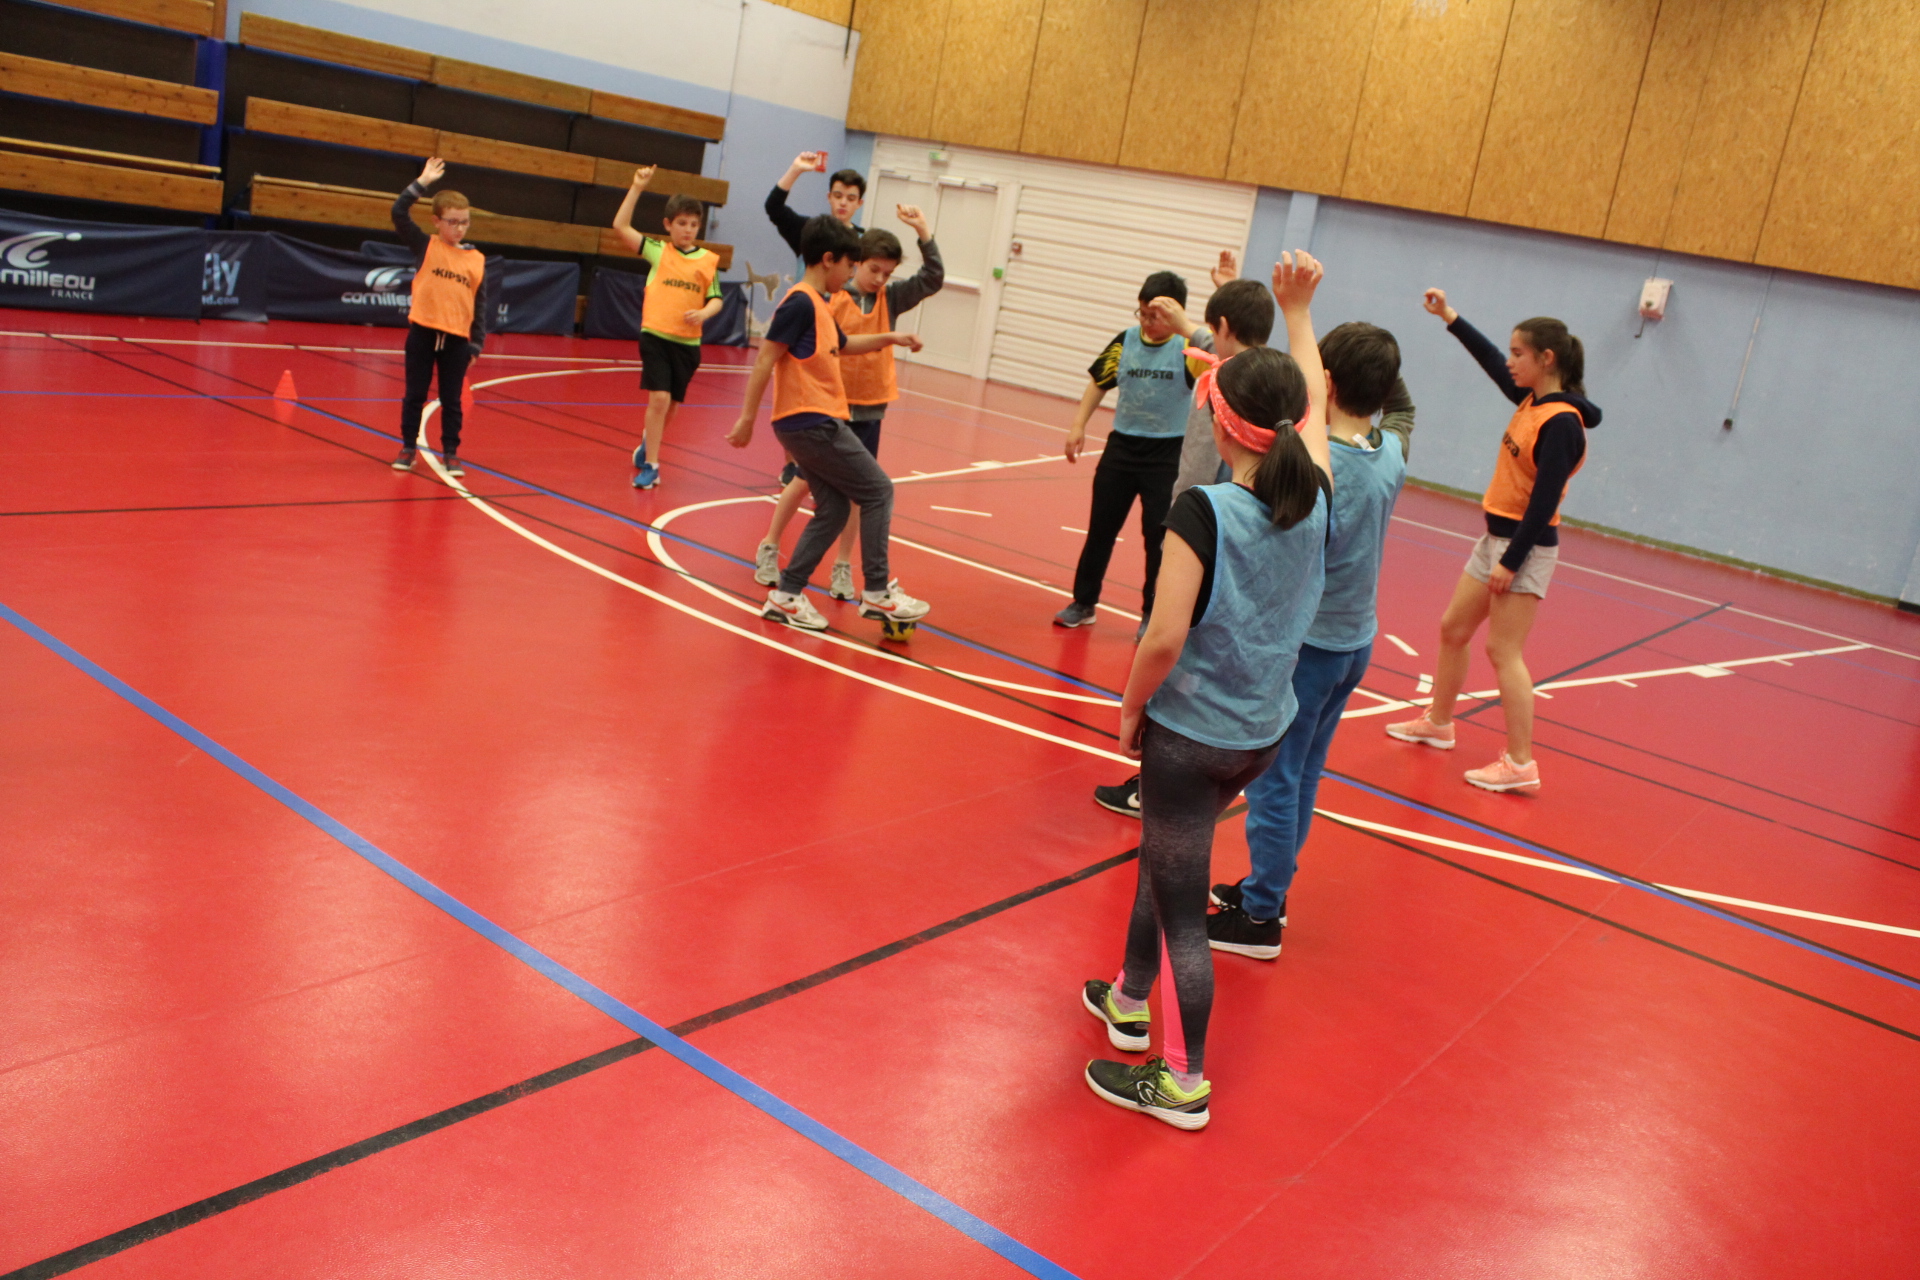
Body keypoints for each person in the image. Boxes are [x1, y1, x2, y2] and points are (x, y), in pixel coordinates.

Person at [1081, 253, 1332, 1132]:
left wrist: (1129, 709)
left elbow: (1162, 637)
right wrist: (1300, 315)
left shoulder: (1205, 512)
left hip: (1193, 736)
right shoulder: (1317, 491)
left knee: (1185, 907)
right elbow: (1316, 401)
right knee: (1170, 852)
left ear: (1220, 423)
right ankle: (1128, 996)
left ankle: (1183, 1082)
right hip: (1261, 731)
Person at [1208, 323, 1415, 958]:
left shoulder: (1325, 468)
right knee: (1302, 774)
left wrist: (1300, 318)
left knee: (1275, 781)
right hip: (1354, 643)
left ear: (1323, 383)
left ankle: (1262, 917)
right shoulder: (1390, 450)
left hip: (1312, 648)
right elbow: (1403, 408)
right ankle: (1268, 888)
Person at [1384, 291, 1600, 793]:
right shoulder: (1533, 400)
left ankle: (1521, 764)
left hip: (1523, 547)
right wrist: (1450, 317)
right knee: (1454, 628)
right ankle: (1439, 723)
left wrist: (1511, 562)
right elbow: (1490, 362)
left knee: (1504, 651)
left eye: (1519, 353)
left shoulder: (1561, 423)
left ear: (1547, 359)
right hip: (1495, 539)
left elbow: (1544, 504)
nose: (1510, 361)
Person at [1091, 260, 1273, 818]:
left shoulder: (1234, 376)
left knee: (1175, 649)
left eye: (1214, 328)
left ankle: (1155, 785)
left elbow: (1223, 359)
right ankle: (1188, 781)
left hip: (1204, 524)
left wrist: (1193, 323)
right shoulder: (1272, 377)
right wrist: (1225, 297)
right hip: (1229, 534)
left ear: (1222, 328)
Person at [727, 215, 930, 632]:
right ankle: (877, 592)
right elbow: (766, 358)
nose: (851, 274)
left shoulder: (818, 305)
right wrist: (747, 418)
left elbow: (846, 344)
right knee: (878, 490)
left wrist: (891, 337)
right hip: (811, 420)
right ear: (827, 259)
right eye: (849, 266)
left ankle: (786, 595)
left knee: (835, 508)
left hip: (807, 423)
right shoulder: (800, 302)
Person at [1055, 269, 1211, 635]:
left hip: (1166, 456)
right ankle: (1083, 602)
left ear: (1175, 315)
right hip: (1122, 449)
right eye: (1142, 312)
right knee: (1100, 530)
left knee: (1158, 540)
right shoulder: (1125, 342)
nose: (1146, 321)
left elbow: (1224, 354)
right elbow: (1099, 381)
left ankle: (1151, 613)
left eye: (1155, 315)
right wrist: (1078, 425)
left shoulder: (1188, 350)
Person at [612, 167, 723, 489]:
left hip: (687, 345)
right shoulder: (658, 251)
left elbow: (716, 299)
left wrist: (704, 313)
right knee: (659, 399)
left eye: (693, 224)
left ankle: (648, 443)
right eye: (681, 223)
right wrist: (637, 187)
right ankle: (652, 465)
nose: (687, 230)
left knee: (672, 404)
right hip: (656, 336)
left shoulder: (707, 261)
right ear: (668, 225)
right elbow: (620, 226)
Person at [389, 157, 486, 477]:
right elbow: (398, 212)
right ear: (436, 221)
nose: (459, 228)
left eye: (464, 222)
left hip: (457, 340)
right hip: (423, 333)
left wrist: (476, 344)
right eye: (452, 221)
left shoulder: (476, 259)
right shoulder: (425, 246)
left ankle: (451, 452)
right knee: (415, 394)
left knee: (451, 399)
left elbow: (479, 305)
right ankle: (408, 447)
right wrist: (422, 182)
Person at [766, 153, 865, 256]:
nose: (843, 203)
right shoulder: (809, 230)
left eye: (851, 199)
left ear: (859, 203)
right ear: (829, 197)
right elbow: (774, 207)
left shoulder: (864, 242)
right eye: (838, 196)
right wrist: (795, 169)